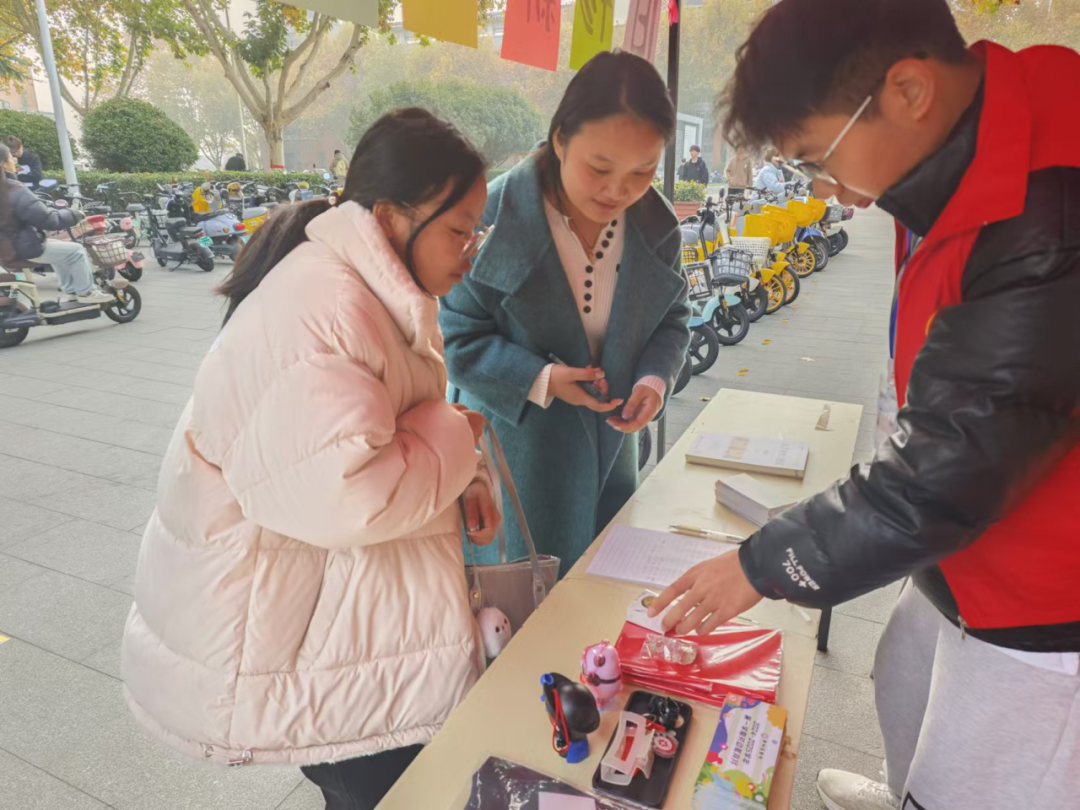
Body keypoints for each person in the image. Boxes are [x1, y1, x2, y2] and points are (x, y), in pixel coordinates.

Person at [649, 2, 1080, 810]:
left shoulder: (1048, 204)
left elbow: (952, 467)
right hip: (966, 556)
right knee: (903, 688)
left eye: (818, 158)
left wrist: (761, 564)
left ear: (908, 90)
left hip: (1044, 609)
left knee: (970, 781)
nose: (825, 190)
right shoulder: (977, 148)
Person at [121, 108, 501, 810]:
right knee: (373, 791)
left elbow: (392, 422)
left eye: (477, 230)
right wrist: (459, 438)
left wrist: (463, 475)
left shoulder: (370, 290)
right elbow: (350, 495)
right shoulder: (326, 311)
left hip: (344, 628)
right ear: (389, 218)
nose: (471, 249)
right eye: (458, 229)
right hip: (311, 646)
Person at [440, 51, 691, 577]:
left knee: (601, 592)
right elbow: (457, 341)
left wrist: (654, 379)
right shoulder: (489, 218)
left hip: (610, 451)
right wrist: (543, 378)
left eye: (643, 171)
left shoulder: (655, 224)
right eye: (599, 168)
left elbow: (672, 319)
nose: (618, 190)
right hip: (516, 458)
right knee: (520, 606)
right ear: (559, 139)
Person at [0, 143, 112, 304]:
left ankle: (71, 291)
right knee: (76, 251)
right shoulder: (13, 190)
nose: (14, 161)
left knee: (59, 248)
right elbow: (48, 220)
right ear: (4, 164)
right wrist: (74, 214)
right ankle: (86, 292)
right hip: (23, 248)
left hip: (7, 249)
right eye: (11, 158)